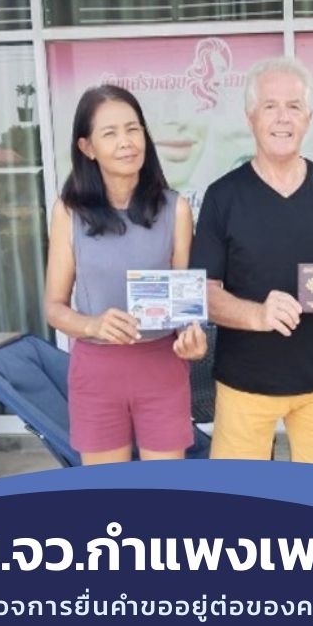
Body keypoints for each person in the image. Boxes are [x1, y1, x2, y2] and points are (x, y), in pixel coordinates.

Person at [191, 57, 313, 465]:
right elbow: (204, 294)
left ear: (308, 118)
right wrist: (258, 315)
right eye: (270, 106)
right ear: (250, 117)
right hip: (244, 385)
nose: (283, 118)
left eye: (294, 106)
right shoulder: (223, 196)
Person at [45, 85, 207, 466]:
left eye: (133, 129)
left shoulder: (175, 210)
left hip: (162, 368)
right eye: (110, 133)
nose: (126, 142)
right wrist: (93, 324)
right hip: (96, 373)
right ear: (87, 147)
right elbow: (54, 307)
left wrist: (193, 338)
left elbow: (185, 305)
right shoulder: (69, 213)